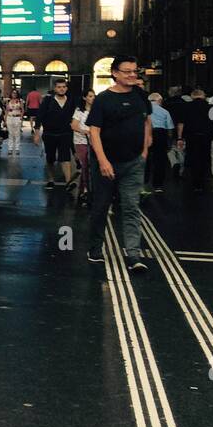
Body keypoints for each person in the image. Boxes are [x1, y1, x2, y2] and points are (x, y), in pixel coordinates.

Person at [86, 56, 151, 270]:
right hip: (106, 163)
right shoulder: (103, 99)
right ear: (115, 73)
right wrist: (103, 161)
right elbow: (94, 131)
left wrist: (144, 152)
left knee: (131, 207)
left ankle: (133, 254)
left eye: (135, 71)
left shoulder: (140, 95)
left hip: (133, 163)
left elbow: (146, 121)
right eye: (127, 71)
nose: (132, 75)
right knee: (101, 207)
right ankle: (95, 248)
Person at [32, 77, 75, 188]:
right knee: (50, 158)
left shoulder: (71, 100)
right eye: (59, 87)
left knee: (65, 158)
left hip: (65, 134)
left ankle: (68, 182)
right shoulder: (48, 100)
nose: (62, 89)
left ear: (67, 88)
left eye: (64, 87)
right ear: (55, 89)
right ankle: (50, 179)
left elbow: (75, 116)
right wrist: (37, 134)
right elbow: (39, 116)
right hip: (50, 134)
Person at [177, 87, 213, 193]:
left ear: (192, 96)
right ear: (203, 96)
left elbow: (181, 123)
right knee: (204, 158)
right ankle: (202, 181)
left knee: (193, 158)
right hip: (206, 136)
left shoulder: (185, 106)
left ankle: (194, 182)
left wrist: (180, 137)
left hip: (191, 136)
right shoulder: (210, 107)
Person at [144, 92, 173, 195]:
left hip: (146, 134)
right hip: (160, 134)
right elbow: (169, 128)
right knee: (160, 160)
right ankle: (158, 185)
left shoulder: (144, 110)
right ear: (159, 101)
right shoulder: (165, 112)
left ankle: (144, 182)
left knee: (145, 159)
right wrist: (169, 142)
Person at [70, 90, 95, 206]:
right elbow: (74, 125)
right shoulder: (79, 111)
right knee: (85, 165)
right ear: (85, 98)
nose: (93, 98)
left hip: (94, 142)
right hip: (81, 141)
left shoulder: (97, 110)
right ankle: (85, 190)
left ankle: (83, 189)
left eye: (94, 96)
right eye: (90, 96)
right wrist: (85, 131)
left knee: (90, 166)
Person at [163, 86, 187, 178]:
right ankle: (181, 170)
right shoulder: (184, 103)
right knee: (181, 150)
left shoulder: (166, 103)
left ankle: (174, 163)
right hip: (182, 130)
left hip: (169, 129)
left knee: (169, 150)